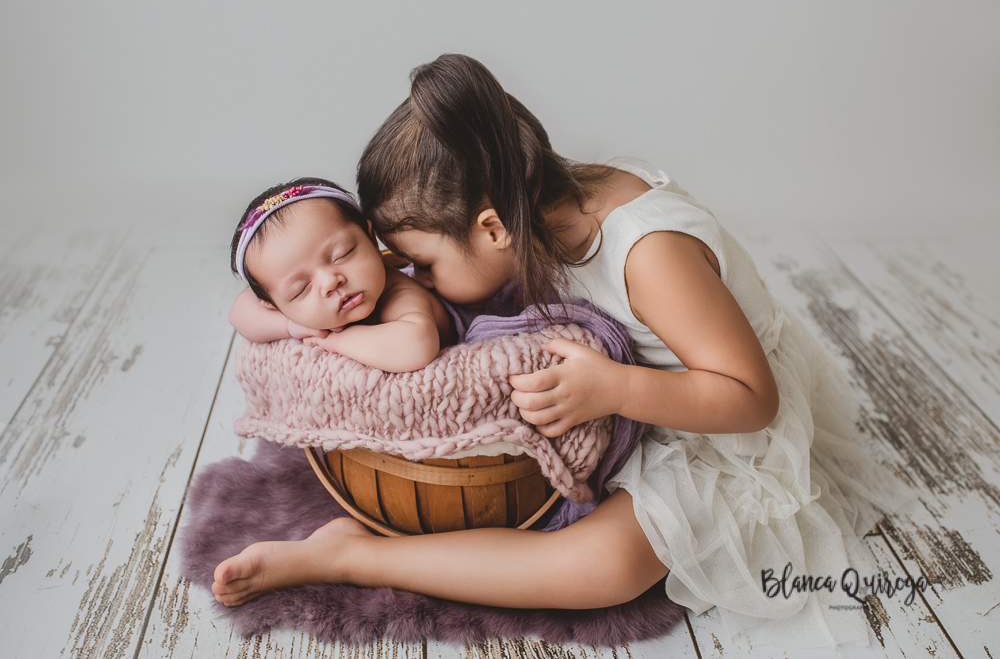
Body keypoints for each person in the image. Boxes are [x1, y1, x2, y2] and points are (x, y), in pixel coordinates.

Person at [213, 55, 904, 648]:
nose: (407, 274)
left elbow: (753, 399)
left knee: (603, 568)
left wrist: (612, 390)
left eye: (420, 259)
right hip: (641, 385)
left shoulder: (650, 253)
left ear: (490, 229)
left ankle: (357, 559)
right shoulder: (534, 203)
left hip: (719, 427)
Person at [228, 178, 454, 373]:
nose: (330, 281)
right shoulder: (291, 311)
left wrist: (335, 341)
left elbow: (417, 346)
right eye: (302, 288)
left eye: (341, 255)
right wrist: (290, 326)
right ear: (273, 305)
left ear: (371, 239)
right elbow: (239, 312)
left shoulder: (398, 293)